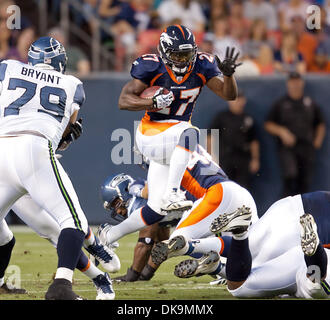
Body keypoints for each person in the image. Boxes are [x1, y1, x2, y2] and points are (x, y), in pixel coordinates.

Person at [117, 25, 241, 238]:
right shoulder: (151, 67)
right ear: (165, 51)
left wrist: (229, 76)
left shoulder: (202, 65)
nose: (183, 60)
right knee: (190, 132)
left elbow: (228, 95)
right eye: (178, 54)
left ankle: (108, 236)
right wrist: (150, 102)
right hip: (151, 133)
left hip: (174, 138)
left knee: (155, 209)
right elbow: (123, 101)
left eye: (187, 54)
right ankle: (173, 193)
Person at [0, 36, 98, 300]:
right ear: (60, 62)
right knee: (74, 220)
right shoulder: (73, 84)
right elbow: (61, 138)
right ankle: (62, 286)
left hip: (2, 149)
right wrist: (67, 136)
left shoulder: (7, 67)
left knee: (3, 236)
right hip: (33, 148)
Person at [97, 145, 259, 274]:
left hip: (216, 196)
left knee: (180, 241)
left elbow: (149, 197)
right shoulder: (188, 144)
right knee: (253, 254)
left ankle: (219, 268)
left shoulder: (162, 153)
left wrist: (135, 190)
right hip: (239, 193)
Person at [188, 191, 330, 299]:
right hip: (301, 244)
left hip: (289, 205)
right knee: (315, 286)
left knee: (249, 250)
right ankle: (315, 251)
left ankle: (195, 246)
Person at [100, 173, 182, 282]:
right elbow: (162, 243)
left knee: (195, 247)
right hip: (195, 210)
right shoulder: (142, 191)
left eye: (116, 204)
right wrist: (147, 273)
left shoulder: (138, 202)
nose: (118, 211)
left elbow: (145, 245)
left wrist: (131, 276)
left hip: (200, 207)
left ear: (123, 191)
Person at [264, 72, 326, 198]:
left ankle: (303, 214)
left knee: (305, 182)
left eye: (298, 81)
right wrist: (282, 131)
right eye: (292, 82)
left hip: (307, 148)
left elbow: (320, 123)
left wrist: (317, 141)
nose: (295, 85)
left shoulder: (310, 103)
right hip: (288, 148)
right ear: (288, 84)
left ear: (302, 83)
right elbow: (268, 124)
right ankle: (286, 210)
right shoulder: (281, 104)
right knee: (290, 177)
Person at [210, 90, 260, 190]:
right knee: (225, 187)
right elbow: (210, 136)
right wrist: (212, 157)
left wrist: (255, 159)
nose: (238, 102)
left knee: (243, 188)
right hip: (225, 158)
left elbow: (253, 141)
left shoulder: (248, 118)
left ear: (244, 101)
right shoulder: (221, 117)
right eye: (235, 99)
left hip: (243, 159)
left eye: (240, 99)